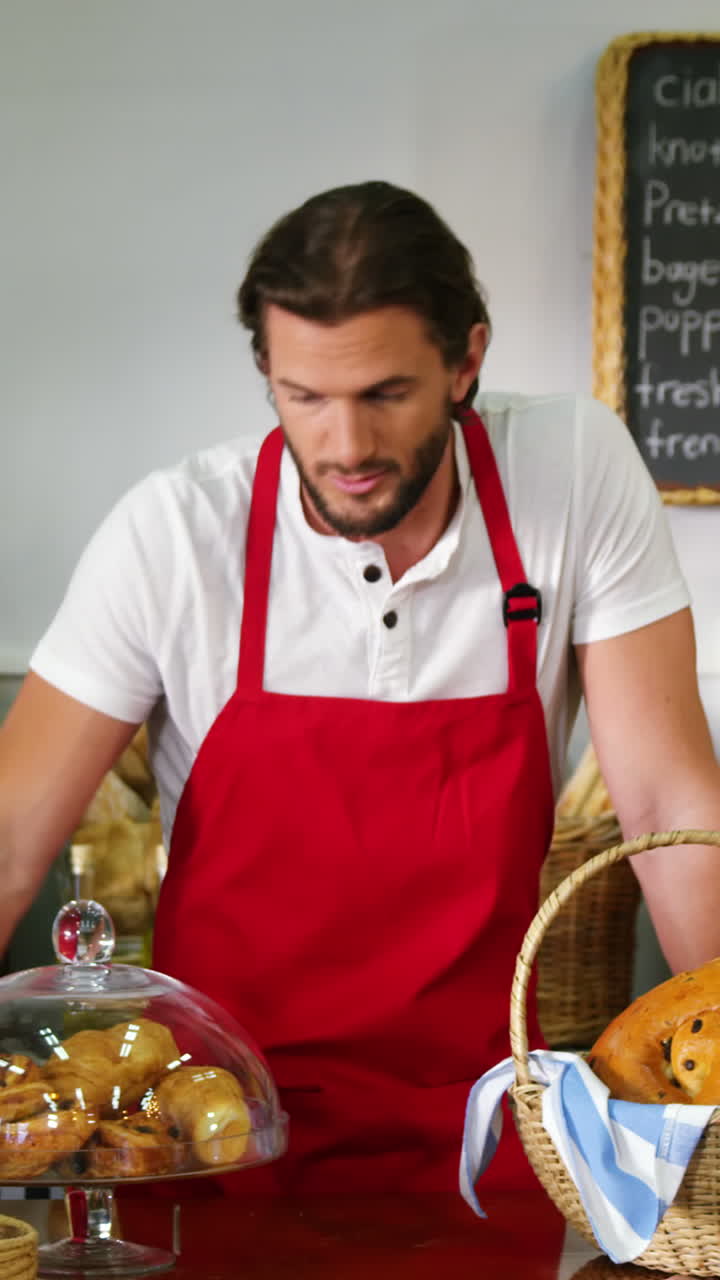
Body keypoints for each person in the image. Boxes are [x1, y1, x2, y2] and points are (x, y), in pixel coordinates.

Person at [1, 180, 720, 1197]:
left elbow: (669, 808)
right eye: (305, 396)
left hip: (481, 1134)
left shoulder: (569, 471)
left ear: (466, 362)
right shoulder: (174, 533)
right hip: (217, 1137)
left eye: (385, 394)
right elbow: (11, 836)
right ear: (266, 371)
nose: (344, 447)